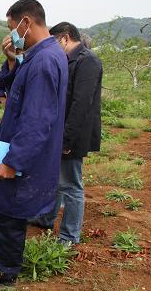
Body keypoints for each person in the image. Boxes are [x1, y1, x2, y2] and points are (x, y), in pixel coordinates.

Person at [0, 0, 68, 290]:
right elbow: (8, 86)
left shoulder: (44, 61)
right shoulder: (41, 55)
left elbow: (37, 121)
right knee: (3, 211)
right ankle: (2, 258)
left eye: (12, 27)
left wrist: (13, 161)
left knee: (8, 215)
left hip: (19, 153)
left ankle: (4, 275)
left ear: (26, 22)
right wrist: (13, 58)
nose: (12, 33)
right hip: (11, 143)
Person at [31, 22, 102, 245]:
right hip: (62, 131)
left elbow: (81, 103)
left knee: (71, 184)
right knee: (57, 179)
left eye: (54, 42)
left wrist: (67, 138)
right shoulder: (69, 60)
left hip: (74, 133)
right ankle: (46, 218)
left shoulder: (87, 60)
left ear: (64, 37)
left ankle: (70, 236)